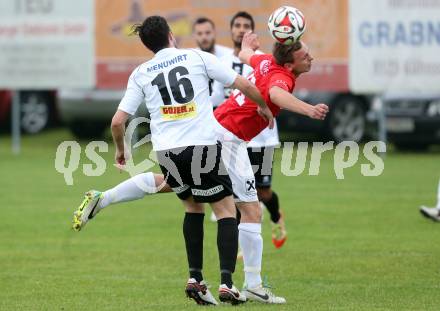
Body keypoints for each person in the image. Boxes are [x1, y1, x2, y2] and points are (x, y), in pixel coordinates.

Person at [73, 31, 328, 304]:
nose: (310, 57)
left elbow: (246, 56)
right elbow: (276, 92)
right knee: (247, 209)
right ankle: (247, 284)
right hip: (229, 139)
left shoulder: (265, 62)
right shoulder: (281, 76)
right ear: (290, 63)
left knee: (171, 184)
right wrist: (307, 110)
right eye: (305, 54)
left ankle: (105, 198)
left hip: (203, 135)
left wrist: (247, 47)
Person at [210, 11, 286, 249]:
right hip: (232, 136)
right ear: (231, 30)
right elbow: (214, 100)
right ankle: (245, 246)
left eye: (246, 26)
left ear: (253, 32)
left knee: (263, 192)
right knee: (236, 193)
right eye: (237, 25)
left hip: (261, 139)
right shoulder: (220, 64)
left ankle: (276, 217)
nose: (241, 29)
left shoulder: (263, 60)